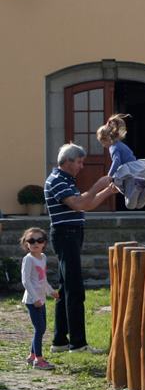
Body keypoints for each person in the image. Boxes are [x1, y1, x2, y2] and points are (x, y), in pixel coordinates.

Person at [45, 143, 117, 354]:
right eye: (79, 162)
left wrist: (107, 191)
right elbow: (77, 203)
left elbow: (86, 205)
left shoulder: (66, 180)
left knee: (66, 288)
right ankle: (78, 344)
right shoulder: (57, 180)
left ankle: (60, 341)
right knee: (75, 290)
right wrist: (97, 185)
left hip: (70, 235)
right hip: (66, 235)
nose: (82, 166)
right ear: (67, 161)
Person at [97, 114, 145, 210]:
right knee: (139, 205)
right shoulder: (120, 144)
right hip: (140, 169)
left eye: (102, 143)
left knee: (129, 205)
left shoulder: (113, 147)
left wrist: (110, 175)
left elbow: (116, 161)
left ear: (106, 139)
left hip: (131, 173)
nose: (103, 146)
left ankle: (138, 185)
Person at [19, 227, 59, 370]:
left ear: (44, 243)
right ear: (26, 244)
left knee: (41, 329)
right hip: (32, 301)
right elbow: (26, 281)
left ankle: (32, 356)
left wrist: (51, 292)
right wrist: (35, 298)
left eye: (39, 240)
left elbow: (43, 280)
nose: (35, 243)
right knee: (39, 328)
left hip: (41, 299)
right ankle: (39, 360)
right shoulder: (28, 259)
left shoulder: (43, 257)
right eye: (31, 240)